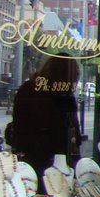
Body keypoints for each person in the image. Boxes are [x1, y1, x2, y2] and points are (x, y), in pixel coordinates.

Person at [10, 56, 81, 186]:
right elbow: (72, 131)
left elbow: (20, 126)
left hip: (36, 158)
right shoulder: (62, 94)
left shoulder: (29, 89)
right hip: (46, 160)